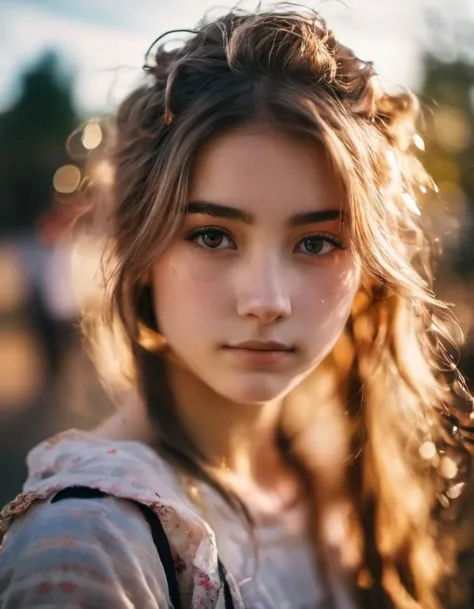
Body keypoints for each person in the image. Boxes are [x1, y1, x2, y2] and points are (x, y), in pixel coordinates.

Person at [0, 6, 472, 609]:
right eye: (213, 236)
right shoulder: (90, 548)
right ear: (135, 245)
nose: (267, 301)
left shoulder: (338, 479)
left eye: (317, 242)